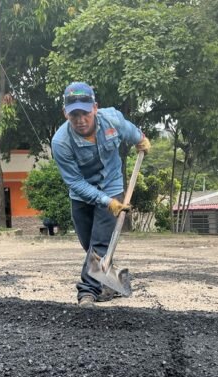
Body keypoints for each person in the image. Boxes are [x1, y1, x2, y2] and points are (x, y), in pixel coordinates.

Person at [51, 82, 151, 307]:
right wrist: (105, 202)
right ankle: (115, 282)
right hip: (82, 194)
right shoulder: (61, 142)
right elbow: (75, 182)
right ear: (65, 113)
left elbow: (130, 130)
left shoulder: (111, 120)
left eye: (85, 113)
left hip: (112, 186)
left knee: (98, 244)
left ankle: (87, 292)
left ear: (95, 108)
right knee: (90, 246)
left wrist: (140, 139)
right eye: (74, 114)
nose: (80, 120)